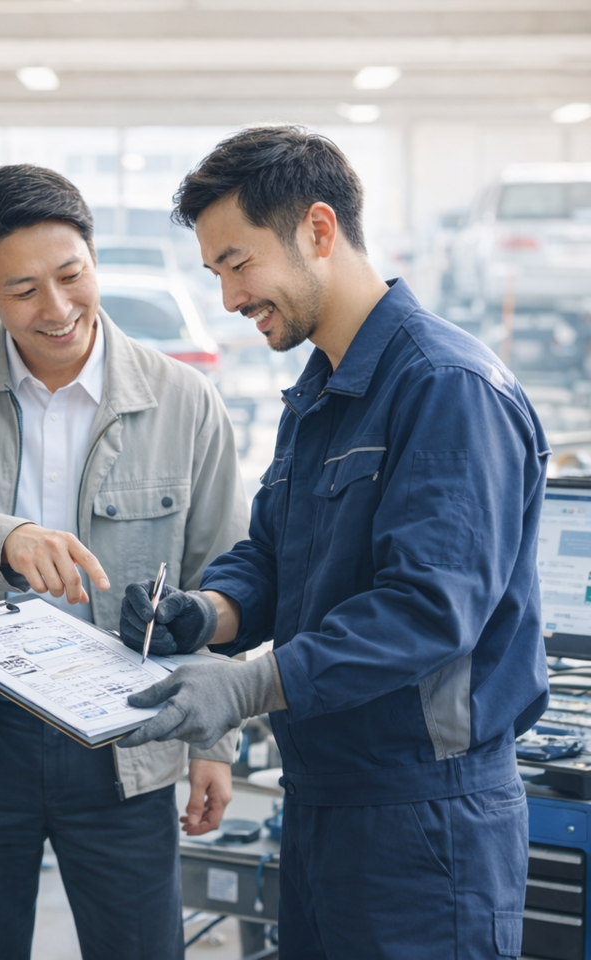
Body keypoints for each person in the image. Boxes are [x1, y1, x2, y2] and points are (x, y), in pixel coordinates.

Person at [118, 126, 549, 958]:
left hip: (425, 817)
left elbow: (428, 609)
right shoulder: (322, 390)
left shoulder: (446, 389)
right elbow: (276, 556)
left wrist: (247, 685)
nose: (229, 299)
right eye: (215, 274)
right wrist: (205, 613)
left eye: (238, 264)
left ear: (318, 230)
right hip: (325, 797)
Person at [0, 164, 249, 959]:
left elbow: (222, 572)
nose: (57, 308)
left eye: (72, 276)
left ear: (94, 259)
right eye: (23, 290)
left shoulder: (184, 401)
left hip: (128, 740)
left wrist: (214, 744)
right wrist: (5, 540)